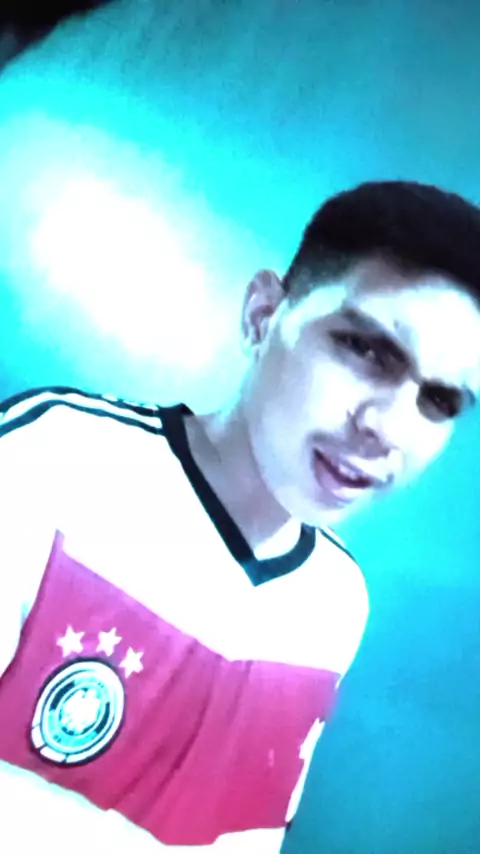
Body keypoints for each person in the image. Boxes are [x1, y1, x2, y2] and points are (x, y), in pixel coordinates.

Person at [0, 180, 479, 854]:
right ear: (262, 315)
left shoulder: (336, 602)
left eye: (439, 401)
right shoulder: (53, 460)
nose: (388, 428)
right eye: (365, 350)